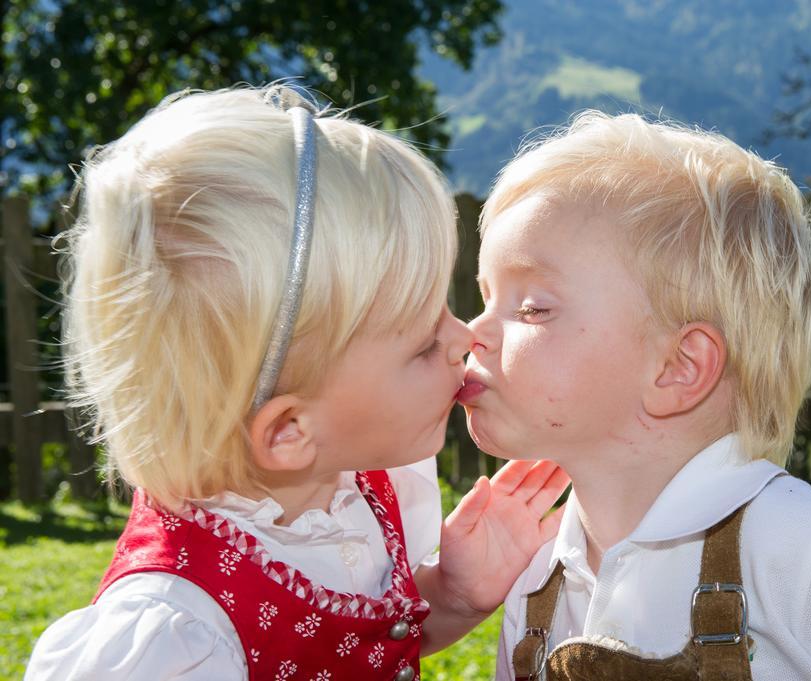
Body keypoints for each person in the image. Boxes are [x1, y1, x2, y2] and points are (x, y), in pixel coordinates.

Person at [25, 85, 568, 681]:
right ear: (288, 432)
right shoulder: (177, 641)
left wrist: (451, 594)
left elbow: (362, 643)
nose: (464, 336)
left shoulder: (348, 480)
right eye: (420, 344)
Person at [458, 110, 811, 680]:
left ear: (679, 367)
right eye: (484, 298)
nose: (470, 331)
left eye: (532, 308)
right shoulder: (537, 585)